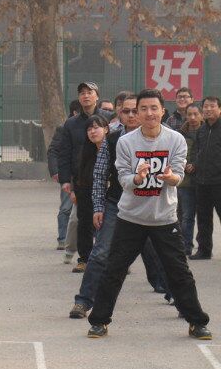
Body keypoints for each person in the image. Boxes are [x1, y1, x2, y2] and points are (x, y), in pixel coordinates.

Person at [87, 89, 211, 340]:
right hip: (130, 218)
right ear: (137, 113)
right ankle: (99, 321)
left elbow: (179, 176)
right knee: (114, 270)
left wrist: (170, 177)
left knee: (179, 272)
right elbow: (122, 178)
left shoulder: (175, 139)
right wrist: (137, 178)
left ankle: (197, 322)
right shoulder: (125, 142)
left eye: (154, 108)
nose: (149, 113)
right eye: (143, 109)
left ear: (162, 111)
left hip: (164, 218)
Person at [68, 103, 169, 318]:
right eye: (126, 111)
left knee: (160, 252)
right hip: (117, 203)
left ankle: (176, 296)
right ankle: (83, 301)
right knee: (100, 253)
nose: (131, 115)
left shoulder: (161, 137)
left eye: (135, 111)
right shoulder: (112, 139)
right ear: (119, 114)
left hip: (149, 203)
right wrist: (98, 207)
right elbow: (100, 175)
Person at [57, 81, 100, 270]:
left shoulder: (107, 120)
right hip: (82, 180)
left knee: (108, 220)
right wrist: (66, 180)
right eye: (82, 92)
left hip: (105, 179)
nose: (86, 95)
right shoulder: (71, 124)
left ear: (97, 96)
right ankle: (84, 259)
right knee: (84, 220)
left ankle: (109, 257)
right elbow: (64, 153)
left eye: (90, 92)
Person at [48, 100, 82, 251]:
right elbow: (53, 151)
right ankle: (62, 238)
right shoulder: (64, 128)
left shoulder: (92, 126)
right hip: (69, 174)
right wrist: (56, 171)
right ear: (75, 112)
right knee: (66, 208)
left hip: (86, 174)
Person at [191, 96, 221, 260]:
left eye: (212, 106)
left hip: (219, 182)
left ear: (219, 108)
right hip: (201, 182)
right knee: (203, 218)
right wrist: (195, 165)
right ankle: (204, 250)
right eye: (206, 106)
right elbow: (197, 151)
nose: (208, 109)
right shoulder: (201, 130)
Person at [178, 104, 202, 255]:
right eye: (189, 114)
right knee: (186, 216)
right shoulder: (180, 134)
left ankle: (203, 246)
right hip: (184, 182)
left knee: (203, 217)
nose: (192, 117)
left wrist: (195, 165)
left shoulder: (206, 132)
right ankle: (185, 246)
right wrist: (185, 164)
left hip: (203, 181)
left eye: (195, 114)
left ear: (201, 115)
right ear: (185, 116)